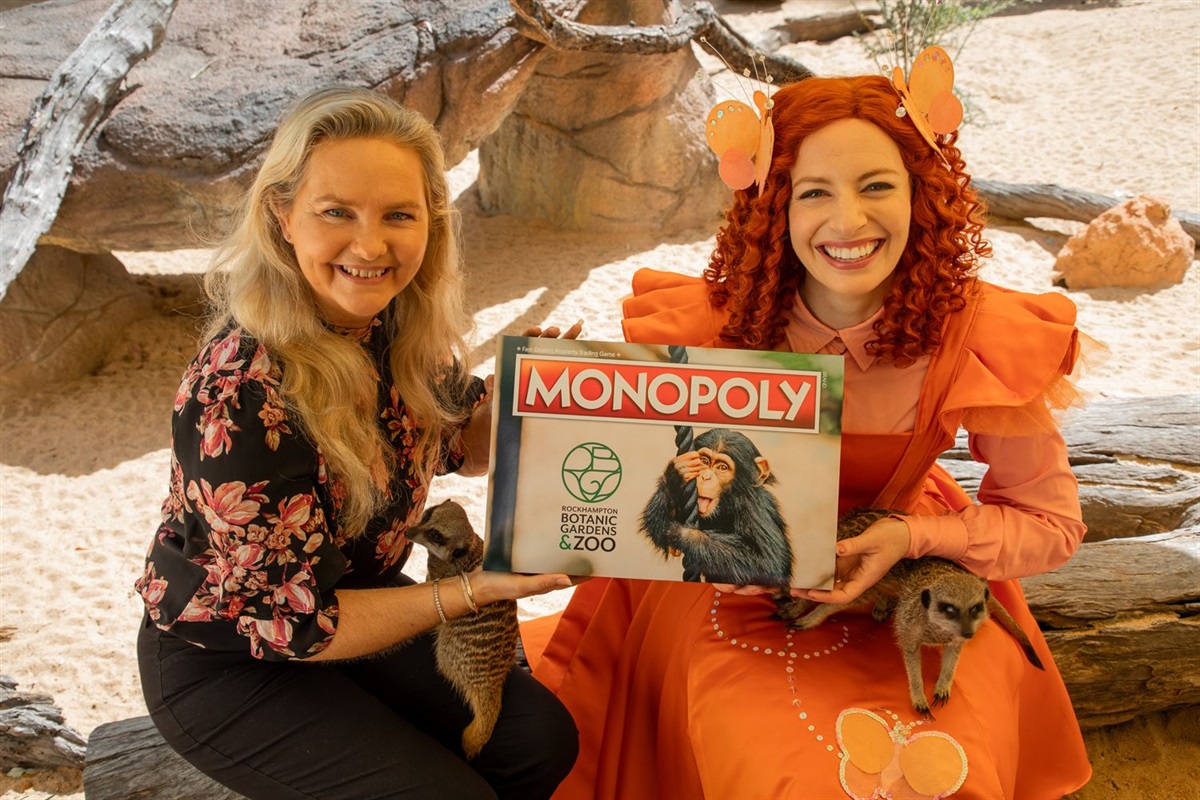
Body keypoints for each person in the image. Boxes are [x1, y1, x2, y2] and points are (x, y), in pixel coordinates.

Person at [524, 70, 1095, 799]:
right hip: (729, 577)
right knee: (773, 767)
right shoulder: (713, 324)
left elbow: (1052, 525)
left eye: (878, 185)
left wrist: (908, 538)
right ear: (773, 205)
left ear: (925, 195)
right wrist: (544, 418)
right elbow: (618, 482)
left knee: (942, 772)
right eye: (814, 191)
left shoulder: (974, 335)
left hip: (913, 578)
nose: (848, 220)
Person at [134, 87, 580, 800]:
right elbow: (298, 623)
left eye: (398, 215)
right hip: (234, 653)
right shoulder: (241, 389)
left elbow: (468, 448)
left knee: (538, 740)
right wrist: (468, 593)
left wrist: (527, 406)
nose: (370, 247)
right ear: (283, 216)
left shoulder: (396, 327)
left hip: (358, 604)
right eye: (336, 212)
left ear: (430, 221)